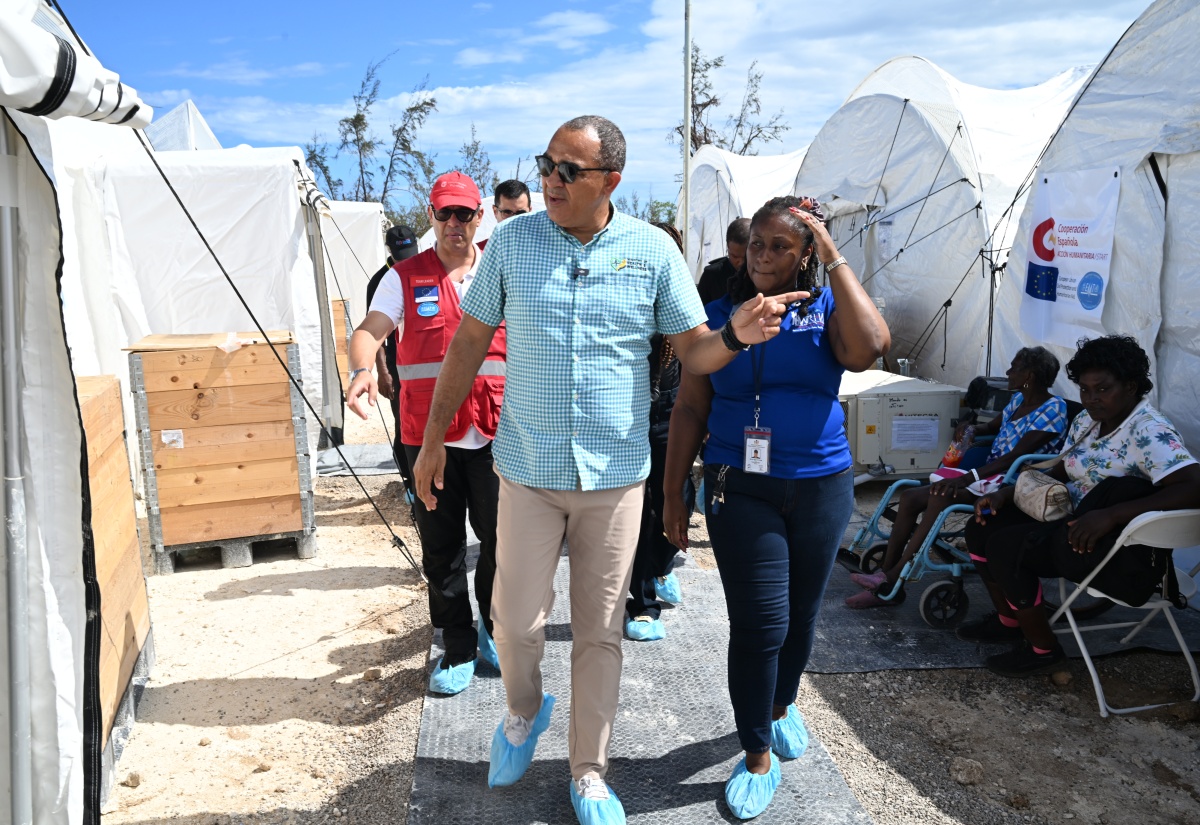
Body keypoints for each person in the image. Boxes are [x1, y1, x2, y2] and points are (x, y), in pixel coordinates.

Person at [410, 115, 805, 825]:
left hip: (617, 478)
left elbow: (695, 350)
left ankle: (589, 772)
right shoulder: (513, 245)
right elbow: (468, 342)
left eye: (569, 170)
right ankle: (523, 712)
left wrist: (736, 335)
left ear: (610, 182)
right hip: (527, 472)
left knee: (599, 632)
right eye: (547, 164)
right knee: (515, 623)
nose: (551, 180)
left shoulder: (653, 251)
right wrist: (433, 439)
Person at [663, 196, 889, 819]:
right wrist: (672, 490)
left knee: (801, 614)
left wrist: (835, 254)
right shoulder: (720, 314)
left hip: (821, 483)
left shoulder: (826, 309)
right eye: (756, 244)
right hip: (741, 485)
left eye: (781, 247)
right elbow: (689, 406)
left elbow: (870, 345)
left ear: (805, 254)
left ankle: (783, 703)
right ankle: (757, 753)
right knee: (762, 622)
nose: (763, 257)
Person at [346, 171, 503, 696]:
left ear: (479, 216)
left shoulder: (499, 270)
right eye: (445, 214)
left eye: (465, 213)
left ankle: (494, 630)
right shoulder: (404, 277)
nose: (455, 223)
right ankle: (456, 646)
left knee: (504, 543)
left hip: (494, 435)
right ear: (431, 217)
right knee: (441, 549)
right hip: (428, 438)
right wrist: (362, 369)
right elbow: (370, 330)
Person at [962, 335, 1200, 676]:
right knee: (982, 525)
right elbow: (1063, 468)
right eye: (1085, 390)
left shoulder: (1148, 431)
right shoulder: (1088, 422)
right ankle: (1009, 621)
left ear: (1131, 386)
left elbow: (1194, 487)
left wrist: (1112, 514)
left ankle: (1044, 650)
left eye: (1102, 389)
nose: (1091, 399)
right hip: (1072, 517)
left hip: (1108, 543)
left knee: (1006, 547)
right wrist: (1009, 492)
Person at [845, 347, 1069, 608]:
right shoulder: (1018, 401)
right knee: (908, 496)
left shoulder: (1054, 409)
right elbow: (990, 428)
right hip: (990, 476)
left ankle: (893, 580)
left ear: (1029, 375)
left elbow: (1014, 457)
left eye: (1014, 367)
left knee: (941, 496)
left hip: (1015, 484)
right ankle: (884, 572)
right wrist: (970, 428)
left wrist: (967, 478)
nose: (1008, 372)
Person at [624, 222, 693, 643]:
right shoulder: (627, 295)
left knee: (679, 499)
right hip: (629, 422)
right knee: (642, 513)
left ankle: (662, 563)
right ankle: (641, 601)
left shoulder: (683, 301)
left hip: (673, 416)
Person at [365, 224, 420, 497]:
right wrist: (382, 372)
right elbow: (373, 332)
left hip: (425, 359)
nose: (407, 261)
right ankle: (409, 481)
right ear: (390, 251)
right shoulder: (379, 281)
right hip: (397, 364)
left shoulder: (427, 269)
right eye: (402, 256)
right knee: (405, 422)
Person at [696, 217, 750, 305]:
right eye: (734, 256)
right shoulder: (712, 275)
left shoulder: (764, 274)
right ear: (728, 248)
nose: (740, 262)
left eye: (746, 257)